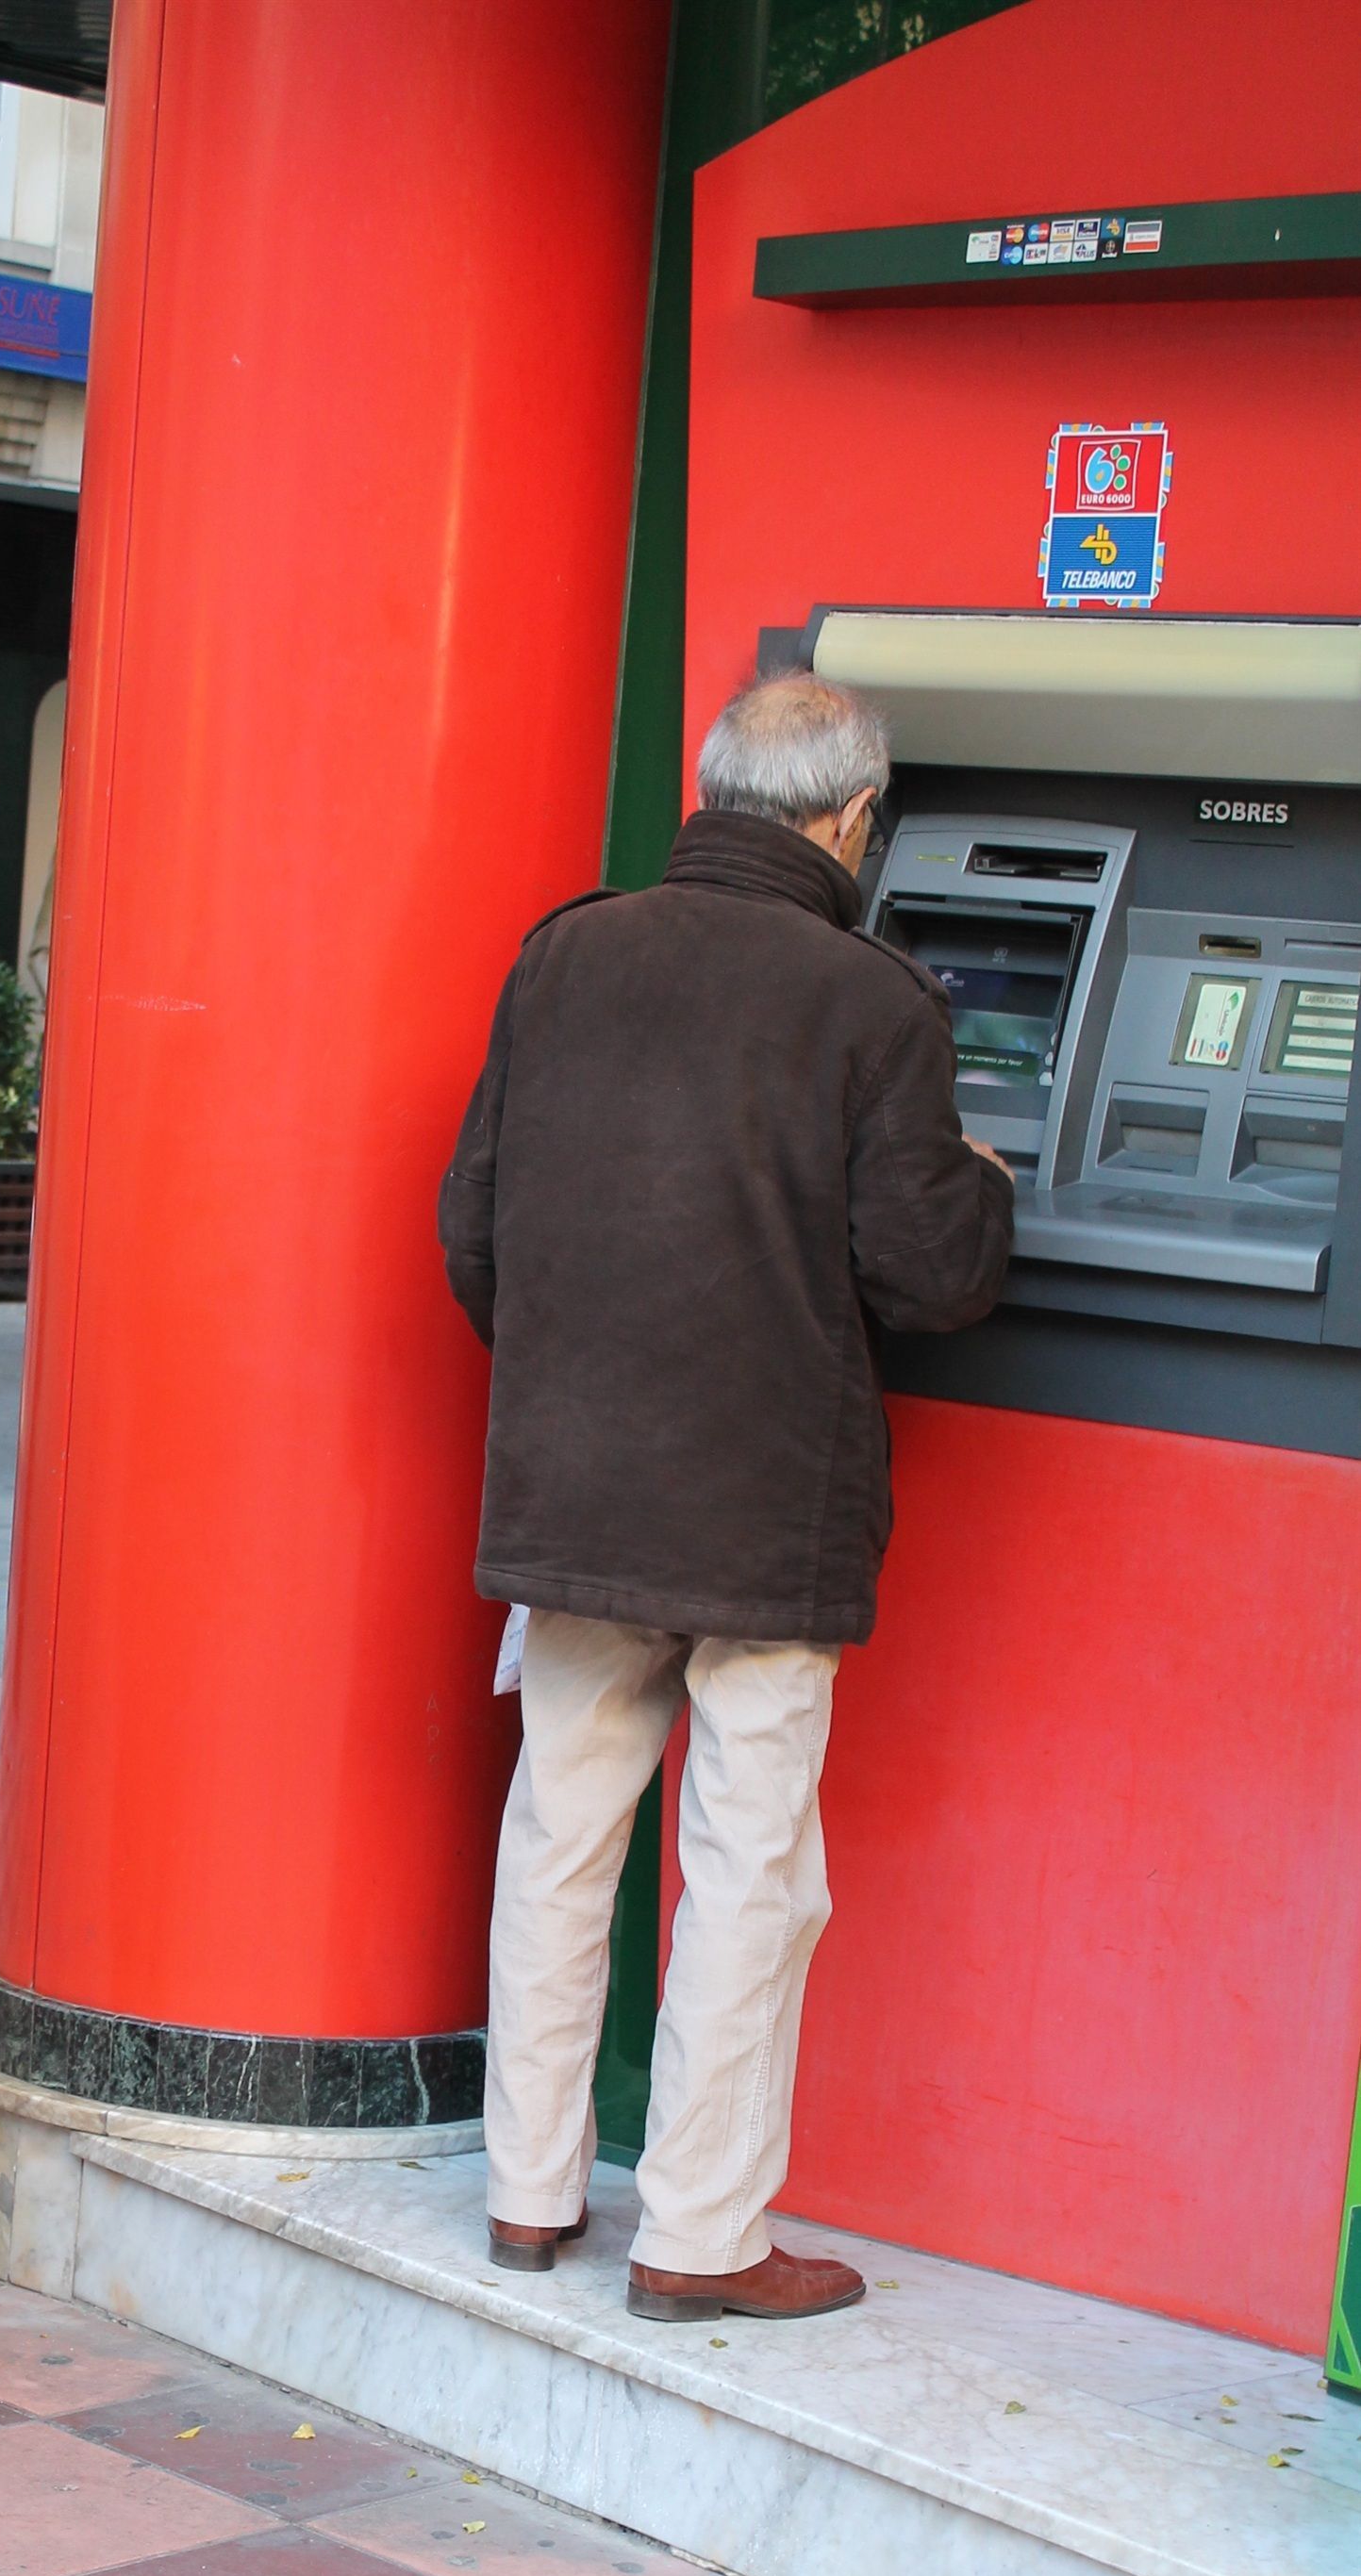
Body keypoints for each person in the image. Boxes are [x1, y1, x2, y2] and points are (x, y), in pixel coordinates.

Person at [438, 671, 1014, 2322]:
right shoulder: (876, 1002)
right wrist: (984, 1194)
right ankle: (699, 2234)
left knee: (561, 1833)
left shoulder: (566, 954)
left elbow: (472, 1224)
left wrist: (569, 1381)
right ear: (850, 823)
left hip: (576, 1493)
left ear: (713, 796)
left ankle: (529, 2197)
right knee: (748, 1861)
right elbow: (925, 1274)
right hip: (766, 1508)